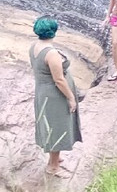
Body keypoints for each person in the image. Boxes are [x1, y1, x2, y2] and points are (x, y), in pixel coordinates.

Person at [29, 17, 82, 176]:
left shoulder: (34, 46)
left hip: (42, 91)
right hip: (54, 96)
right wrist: (71, 98)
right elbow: (59, 80)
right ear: (54, 32)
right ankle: (53, 165)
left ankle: (54, 158)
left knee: (50, 125)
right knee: (57, 127)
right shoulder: (51, 54)